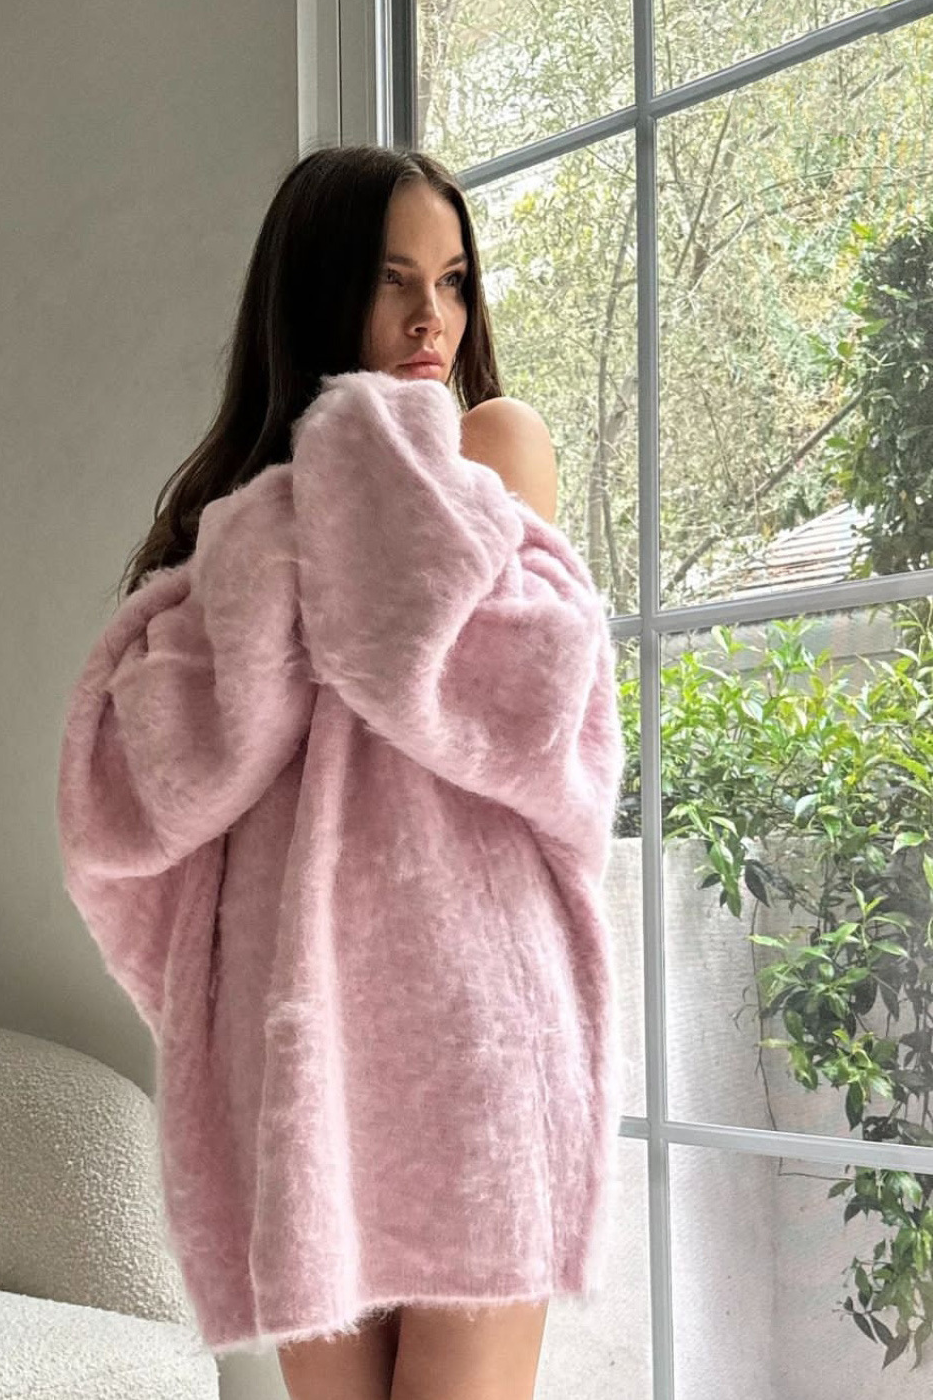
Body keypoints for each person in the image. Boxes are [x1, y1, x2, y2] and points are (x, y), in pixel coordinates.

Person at [56, 142, 625, 1400]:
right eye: (391, 278)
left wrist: (324, 481)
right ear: (318, 291)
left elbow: (497, 689)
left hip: (474, 1022)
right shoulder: (241, 520)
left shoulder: (493, 443)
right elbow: (170, 778)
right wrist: (278, 521)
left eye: (455, 280)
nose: (434, 317)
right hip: (300, 1035)